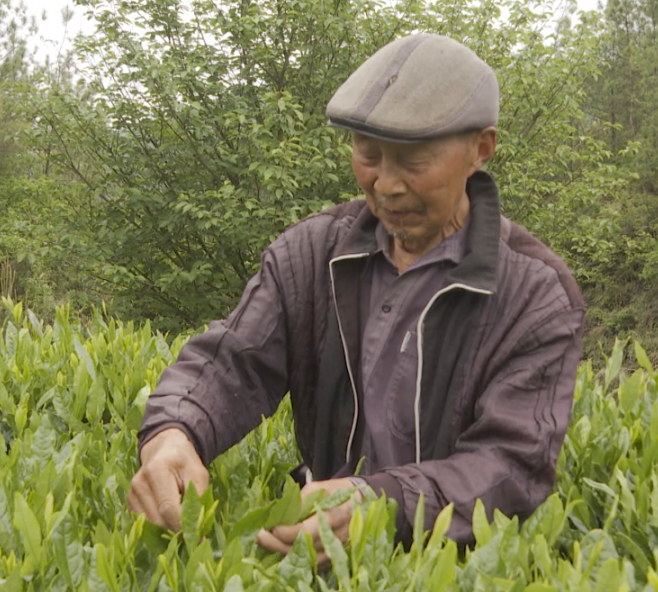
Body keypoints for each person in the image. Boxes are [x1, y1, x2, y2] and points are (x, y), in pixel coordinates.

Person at [127, 33, 585, 565]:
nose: (385, 185)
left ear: (481, 149)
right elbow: (231, 363)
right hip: (314, 556)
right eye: (368, 155)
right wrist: (172, 434)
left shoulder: (535, 294)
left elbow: (510, 466)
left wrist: (380, 504)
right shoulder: (311, 253)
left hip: (455, 567)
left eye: (413, 160)